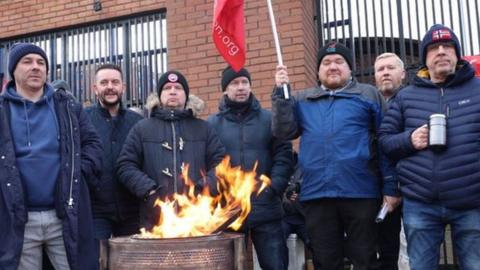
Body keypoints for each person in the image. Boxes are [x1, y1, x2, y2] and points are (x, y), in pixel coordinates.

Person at [272, 41, 400, 270]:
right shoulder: (302, 99)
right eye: (326, 62)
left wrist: (391, 187)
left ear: (350, 68)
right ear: (318, 70)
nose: (333, 66)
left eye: (339, 61)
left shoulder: (368, 95)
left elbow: (386, 142)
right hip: (316, 195)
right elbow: (284, 131)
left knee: (365, 259)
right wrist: (281, 95)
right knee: (325, 261)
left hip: (361, 192)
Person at [379, 24, 480, 270]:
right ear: (425, 58)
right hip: (420, 203)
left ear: (457, 54)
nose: (441, 51)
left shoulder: (478, 89)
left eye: (448, 46)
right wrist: (409, 140)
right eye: (434, 48)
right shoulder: (406, 96)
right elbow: (385, 141)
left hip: (472, 201)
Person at [0, 43, 103, 270]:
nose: (35, 67)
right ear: (12, 70)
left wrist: (78, 173)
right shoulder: (2, 110)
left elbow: (93, 145)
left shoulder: (68, 107)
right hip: (17, 219)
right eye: (27, 62)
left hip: (64, 216)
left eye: (41, 63)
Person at [116, 70, 225, 230]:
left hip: (197, 218)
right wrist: (148, 190)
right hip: (155, 220)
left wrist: (203, 188)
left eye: (178, 88)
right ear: (159, 95)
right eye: (167, 88)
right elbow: (125, 166)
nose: (173, 91)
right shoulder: (142, 129)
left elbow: (221, 164)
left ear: (186, 95)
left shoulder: (203, 129)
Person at [208, 66, 293, 270]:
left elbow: (284, 155)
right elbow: (208, 163)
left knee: (275, 265)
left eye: (244, 82)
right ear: (225, 89)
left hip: (267, 210)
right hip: (228, 212)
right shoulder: (212, 124)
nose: (241, 88)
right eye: (234, 83)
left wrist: (275, 187)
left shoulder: (268, 119)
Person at [84, 64, 144, 269]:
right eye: (104, 83)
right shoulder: (83, 119)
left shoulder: (138, 122)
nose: (110, 87)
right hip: (95, 210)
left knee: (133, 264)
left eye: (115, 82)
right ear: (95, 88)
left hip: (132, 210)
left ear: (123, 87)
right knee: (94, 264)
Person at [373, 52, 406, 270]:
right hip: (377, 190)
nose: (385, 72)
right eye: (380, 69)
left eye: (390, 68)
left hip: (412, 189)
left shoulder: (414, 100)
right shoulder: (369, 104)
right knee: (386, 253)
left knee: (412, 253)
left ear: (402, 74)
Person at [282, 151, 310, 250]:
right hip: (284, 218)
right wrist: (285, 196)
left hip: (303, 217)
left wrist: (297, 194)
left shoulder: (304, 166)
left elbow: (310, 184)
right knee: (278, 245)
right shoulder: (278, 168)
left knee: (315, 245)